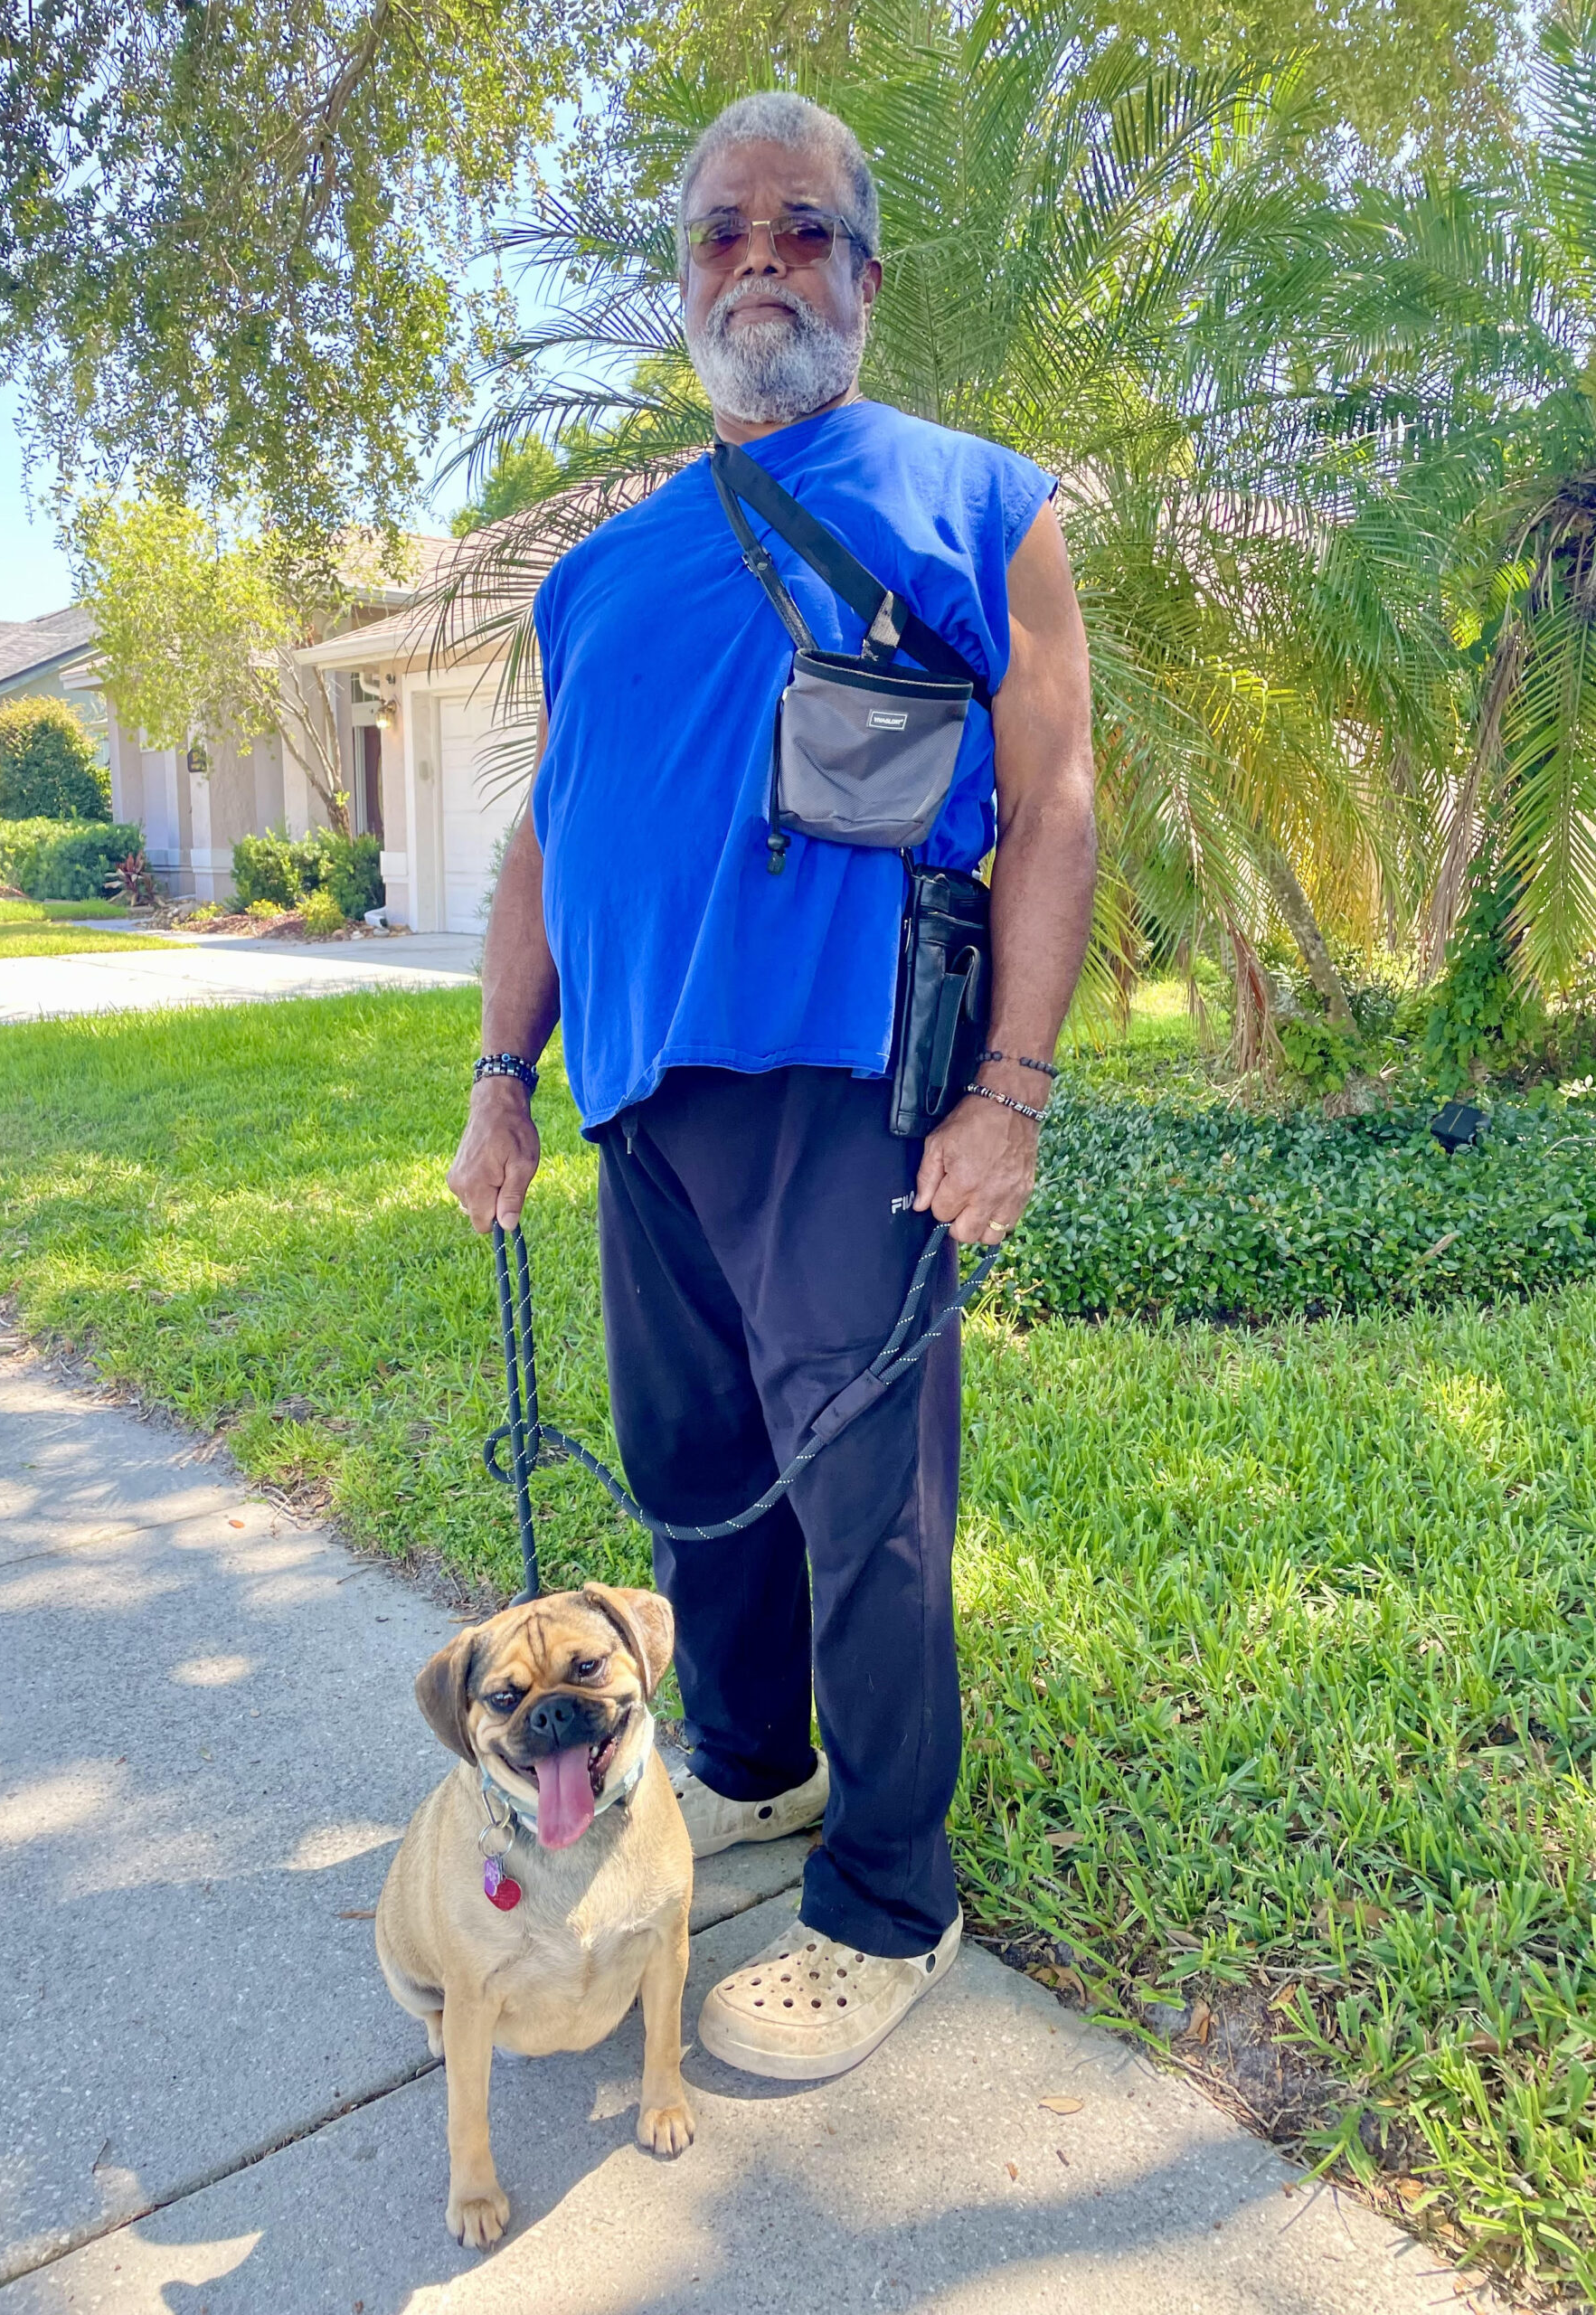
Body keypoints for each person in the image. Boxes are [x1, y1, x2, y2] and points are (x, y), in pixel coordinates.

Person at [449, 90, 1096, 2079]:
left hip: (852, 1086)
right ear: (682, 281)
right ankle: (745, 1754)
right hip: (643, 1096)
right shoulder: (601, 571)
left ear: (867, 274)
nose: (761, 261)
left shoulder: (983, 504)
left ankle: (891, 1897)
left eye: (804, 230)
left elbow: (1056, 795)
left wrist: (1012, 1088)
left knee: (867, 1499)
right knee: (694, 1472)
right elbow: (546, 842)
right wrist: (501, 1075)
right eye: (724, 231)